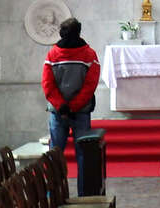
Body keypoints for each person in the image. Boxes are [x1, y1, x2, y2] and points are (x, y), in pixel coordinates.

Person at [41, 17, 101, 194]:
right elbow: (90, 85)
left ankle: (53, 195)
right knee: (83, 154)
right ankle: (84, 195)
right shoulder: (89, 55)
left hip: (57, 112)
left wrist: (62, 106)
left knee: (55, 155)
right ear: (79, 32)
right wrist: (74, 106)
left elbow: (47, 84)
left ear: (62, 33)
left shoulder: (52, 54)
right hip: (80, 112)